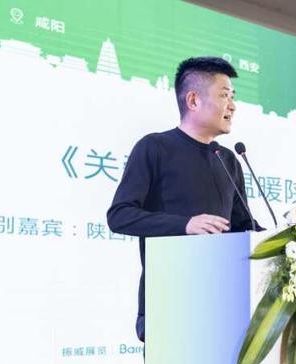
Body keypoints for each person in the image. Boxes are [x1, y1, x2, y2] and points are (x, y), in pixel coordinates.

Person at [107, 56, 260, 343]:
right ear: (193, 100)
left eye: (233, 96)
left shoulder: (227, 159)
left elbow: (244, 227)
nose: (232, 105)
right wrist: (185, 225)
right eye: (224, 95)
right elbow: (119, 215)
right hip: (169, 303)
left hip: (223, 305)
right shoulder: (155, 147)